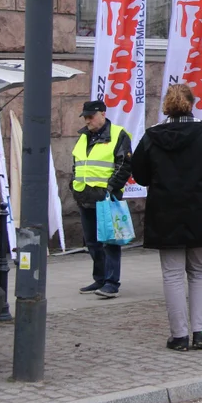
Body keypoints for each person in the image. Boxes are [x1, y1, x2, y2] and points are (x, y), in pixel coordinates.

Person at [131, 85, 202, 351]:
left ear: (167, 105)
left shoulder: (151, 136)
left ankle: (179, 336)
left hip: (165, 213)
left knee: (172, 275)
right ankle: (201, 332)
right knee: (199, 272)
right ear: (192, 104)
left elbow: (140, 175)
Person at [71, 99, 132, 299]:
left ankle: (112, 282)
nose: (87, 121)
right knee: (92, 241)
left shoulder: (118, 134)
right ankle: (100, 278)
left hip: (106, 197)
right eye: (85, 117)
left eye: (91, 116)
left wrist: (111, 189)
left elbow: (124, 165)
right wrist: (74, 185)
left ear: (103, 114)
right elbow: (77, 163)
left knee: (110, 240)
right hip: (85, 195)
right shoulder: (84, 137)